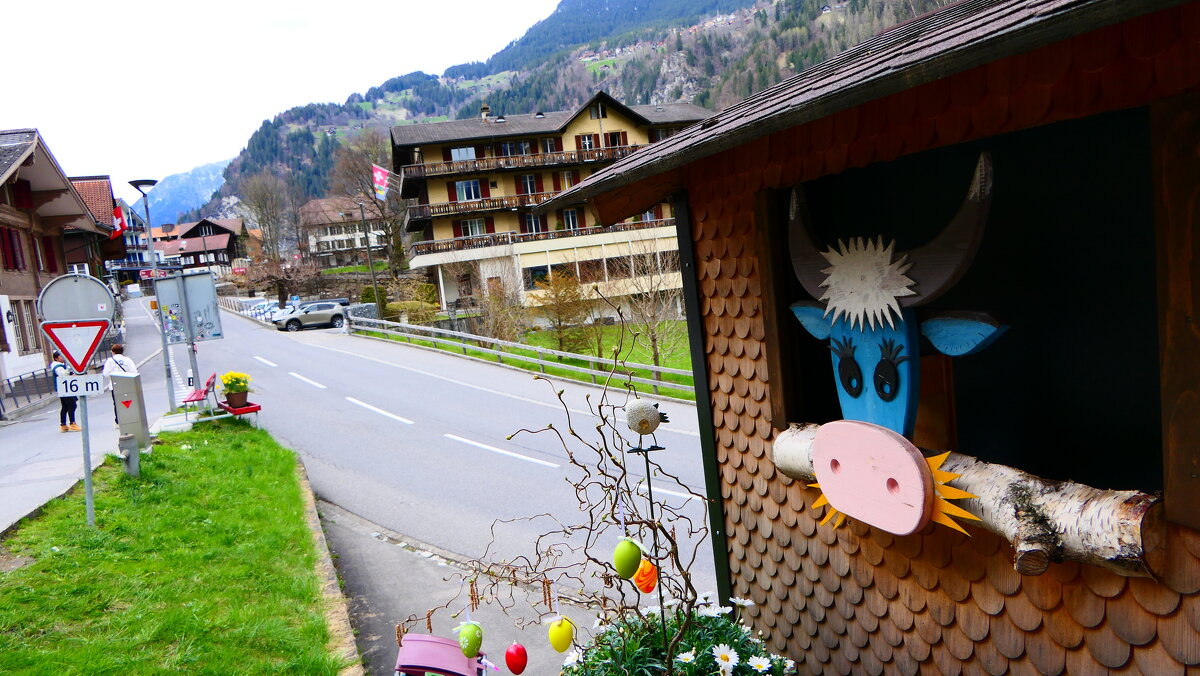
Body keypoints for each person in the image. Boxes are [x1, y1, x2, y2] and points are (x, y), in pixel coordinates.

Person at [102, 343, 139, 425]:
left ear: (113, 351)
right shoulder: (128, 360)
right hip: (127, 384)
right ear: (122, 351)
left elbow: (106, 374)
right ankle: (131, 418)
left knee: (117, 403)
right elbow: (134, 372)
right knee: (129, 402)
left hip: (115, 385)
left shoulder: (110, 361)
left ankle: (118, 421)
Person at [51, 351, 79, 432]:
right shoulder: (58, 367)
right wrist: (69, 369)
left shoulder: (61, 366)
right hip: (65, 388)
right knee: (72, 405)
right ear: (56, 358)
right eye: (61, 356)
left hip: (63, 388)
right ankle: (72, 423)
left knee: (65, 406)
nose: (63, 357)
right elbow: (63, 375)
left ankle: (63, 425)